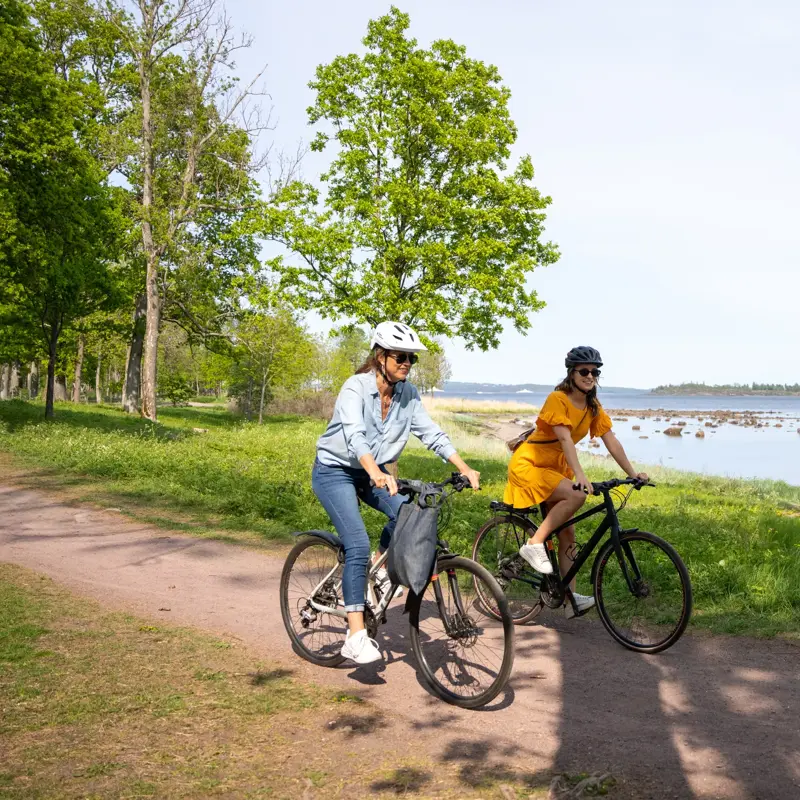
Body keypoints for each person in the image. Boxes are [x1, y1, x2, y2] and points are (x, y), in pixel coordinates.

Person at [313, 321, 481, 664]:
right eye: (401, 356)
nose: (407, 362)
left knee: (409, 514)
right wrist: (375, 470)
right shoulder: (355, 388)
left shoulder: (408, 395)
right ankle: (355, 635)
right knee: (356, 543)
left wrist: (463, 466)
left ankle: (375, 570)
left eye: (411, 358)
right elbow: (353, 434)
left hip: (374, 473)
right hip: (335, 471)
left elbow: (431, 433)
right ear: (380, 356)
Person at [504, 346, 648, 617]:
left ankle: (569, 598)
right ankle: (534, 543)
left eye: (595, 372)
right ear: (571, 373)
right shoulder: (557, 399)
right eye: (584, 371)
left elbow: (610, 440)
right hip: (531, 464)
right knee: (577, 495)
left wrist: (632, 473)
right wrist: (580, 475)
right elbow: (564, 439)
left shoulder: (593, 406)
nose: (590, 376)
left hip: (556, 468)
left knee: (567, 533)